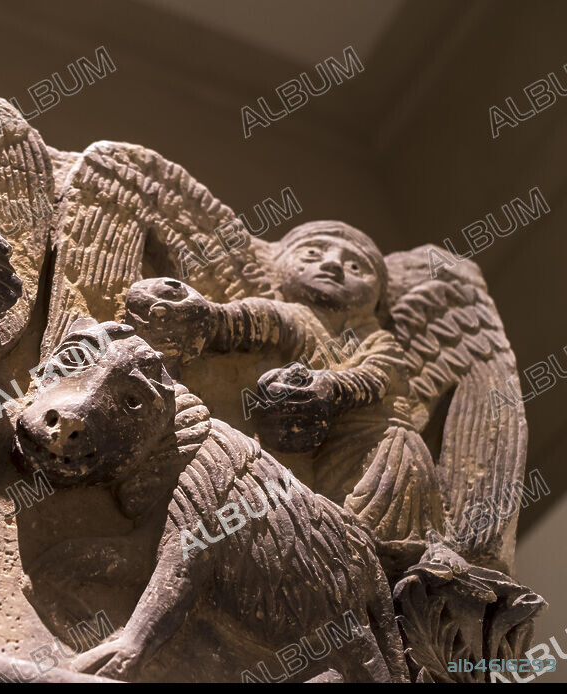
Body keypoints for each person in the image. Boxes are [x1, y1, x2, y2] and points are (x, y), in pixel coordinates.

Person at [124, 221, 444, 570]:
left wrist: (333, 387)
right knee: (336, 520)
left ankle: (392, 565)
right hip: (332, 452)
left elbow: (379, 375)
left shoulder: (377, 338)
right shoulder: (292, 316)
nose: (333, 265)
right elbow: (245, 322)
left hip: (386, 444)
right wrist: (201, 318)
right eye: (313, 253)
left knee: (379, 520)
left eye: (356, 267)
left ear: (377, 299)